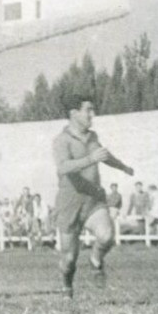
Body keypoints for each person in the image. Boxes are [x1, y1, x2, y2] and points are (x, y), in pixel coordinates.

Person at [51, 98, 134, 295]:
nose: (92, 115)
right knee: (69, 259)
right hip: (70, 203)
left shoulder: (92, 136)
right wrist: (90, 159)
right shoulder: (62, 140)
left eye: (93, 110)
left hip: (93, 200)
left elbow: (103, 155)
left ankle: (95, 259)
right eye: (88, 110)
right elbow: (63, 167)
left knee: (106, 236)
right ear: (73, 113)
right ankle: (67, 289)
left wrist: (122, 166)